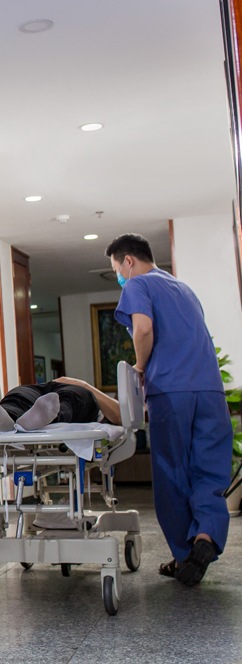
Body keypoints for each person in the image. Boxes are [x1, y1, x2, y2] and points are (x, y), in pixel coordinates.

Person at [105, 233, 232, 586]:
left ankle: (184, 556)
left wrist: (140, 366)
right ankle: (206, 537)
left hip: (171, 391)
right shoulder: (184, 289)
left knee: (172, 474)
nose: (119, 277)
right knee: (209, 472)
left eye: (117, 270)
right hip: (210, 390)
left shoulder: (137, 284)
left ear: (128, 261)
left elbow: (143, 328)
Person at [0, 377, 121, 432]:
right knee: (19, 395)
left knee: (69, 402)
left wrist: (82, 384)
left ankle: (41, 417)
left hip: (77, 393)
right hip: (44, 388)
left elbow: (121, 416)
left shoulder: (119, 407)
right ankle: (6, 419)